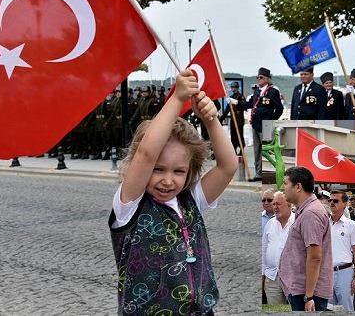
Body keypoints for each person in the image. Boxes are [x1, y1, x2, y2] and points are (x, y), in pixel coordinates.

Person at [109, 69, 238, 315]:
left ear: (191, 171)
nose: (167, 180)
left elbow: (228, 166)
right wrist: (177, 99)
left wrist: (210, 120)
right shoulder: (130, 205)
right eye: (158, 169)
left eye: (178, 172)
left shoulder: (192, 200)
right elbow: (147, 153)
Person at [278, 167, 333, 311]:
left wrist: (309, 297)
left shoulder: (311, 213)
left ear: (298, 187)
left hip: (307, 293)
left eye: (285, 183)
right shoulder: (306, 210)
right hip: (303, 290)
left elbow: (314, 257)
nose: (282, 188)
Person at [233, 67, 283, 181]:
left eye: (261, 77)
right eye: (258, 77)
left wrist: (271, 120)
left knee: (267, 150)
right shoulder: (256, 91)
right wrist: (236, 102)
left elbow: (279, 108)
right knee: (257, 150)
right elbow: (249, 104)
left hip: (266, 125)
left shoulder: (273, 91)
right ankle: (258, 173)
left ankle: (269, 172)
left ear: (268, 79)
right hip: (255, 124)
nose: (258, 79)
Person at [328, 191, 355, 311]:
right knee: (329, 309)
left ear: (345, 204)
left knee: (346, 309)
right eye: (330, 200)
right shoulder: (324, 224)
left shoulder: (352, 225)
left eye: (336, 201)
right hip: (327, 272)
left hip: (345, 272)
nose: (332, 203)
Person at [262, 192, 295, 305]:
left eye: (279, 204)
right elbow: (264, 250)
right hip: (272, 277)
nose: (275, 207)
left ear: (289, 205)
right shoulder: (270, 223)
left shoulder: (298, 222)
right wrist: (263, 275)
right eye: (274, 204)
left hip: (293, 278)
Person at [219, 82, 245, 155]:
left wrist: (237, 103)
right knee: (233, 137)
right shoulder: (231, 97)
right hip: (233, 121)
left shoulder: (241, 97)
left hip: (239, 120)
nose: (233, 89)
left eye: (234, 87)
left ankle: (241, 151)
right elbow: (227, 110)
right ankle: (234, 150)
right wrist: (221, 119)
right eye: (232, 87)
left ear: (237, 88)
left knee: (240, 136)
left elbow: (243, 106)